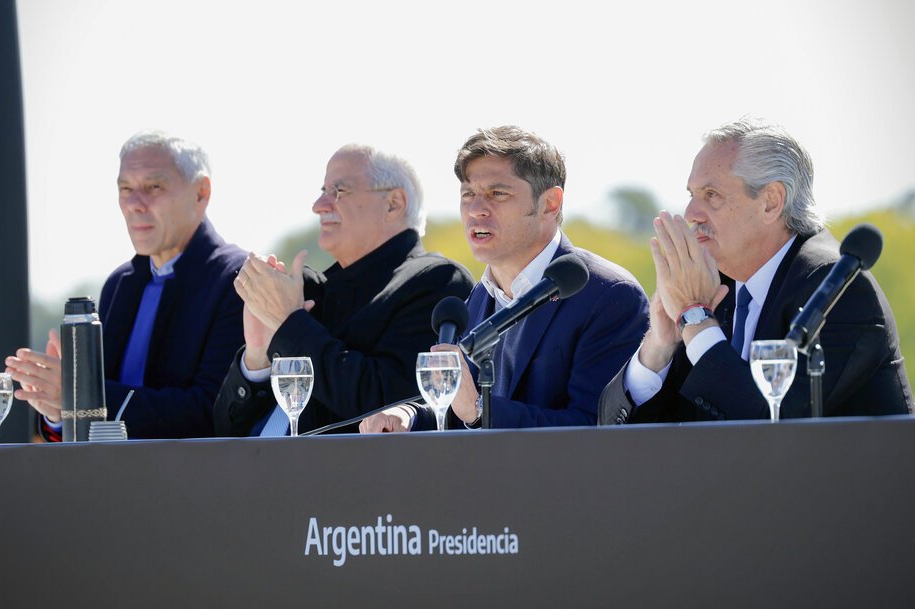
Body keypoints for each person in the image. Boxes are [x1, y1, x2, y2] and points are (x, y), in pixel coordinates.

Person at [599, 117, 913, 425]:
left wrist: (695, 318)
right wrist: (659, 345)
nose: (691, 214)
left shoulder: (838, 289)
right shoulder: (712, 286)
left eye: (712, 195)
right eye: (691, 195)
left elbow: (776, 430)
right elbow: (614, 432)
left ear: (770, 203)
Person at [360, 126, 649, 433]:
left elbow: (595, 428)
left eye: (497, 194)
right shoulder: (477, 301)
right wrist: (410, 417)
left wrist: (480, 409)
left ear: (550, 203)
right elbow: (464, 412)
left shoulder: (609, 295)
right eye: (468, 194)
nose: (476, 210)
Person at [213, 144, 474, 436]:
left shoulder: (437, 281)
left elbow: (388, 412)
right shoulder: (311, 291)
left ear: (393, 203)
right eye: (322, 190)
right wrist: (258, 356)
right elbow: (225, 427)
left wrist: (289, 325)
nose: (319, 205)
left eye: (338, 191)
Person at [6, 131, 246, 439]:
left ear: (201, 192)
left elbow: (211, 412)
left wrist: (83, 396)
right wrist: (59, 408)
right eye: (125, 188)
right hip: (109, 483)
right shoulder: (119, 285)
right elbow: (88, 425)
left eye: (153, 186)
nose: (135, 203)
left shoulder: (237, 280)